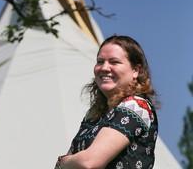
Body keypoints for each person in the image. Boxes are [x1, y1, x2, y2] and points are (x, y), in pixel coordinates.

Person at [55, 35, 159, 169]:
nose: (104, 67)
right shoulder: (94, 114)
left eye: (114, 62)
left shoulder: (137, 106)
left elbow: (89, 162)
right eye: (100, 61)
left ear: (135, 70)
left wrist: (62, 162)